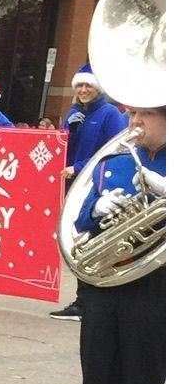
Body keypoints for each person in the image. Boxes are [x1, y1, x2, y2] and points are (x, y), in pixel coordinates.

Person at [64, 103, 166, 384]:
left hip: (156, 282)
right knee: (99, 375)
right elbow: (80, 210)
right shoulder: (114, 159)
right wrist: (96, 210)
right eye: (131, 115)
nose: (134, 124)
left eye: (145, 116)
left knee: (139, 380)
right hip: (106, 278)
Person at [51, 65, 128, 319]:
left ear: (98, 88)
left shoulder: (109, 114)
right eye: (80, 86)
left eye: (88, 86)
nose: (84, 90)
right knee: (76, 241)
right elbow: (62, 149)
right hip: (73, 184)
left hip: (93, 185)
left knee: (89, 240)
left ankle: (86, 302)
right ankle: (83, 301)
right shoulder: (75, 112)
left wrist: (79, 168)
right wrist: (68, 133)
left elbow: (113, 150)